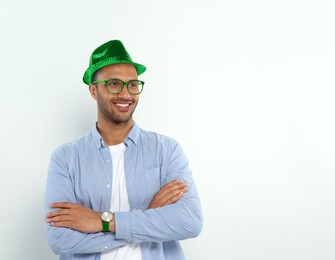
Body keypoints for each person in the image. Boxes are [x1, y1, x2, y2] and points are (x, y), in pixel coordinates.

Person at [44, 39, 203, 260]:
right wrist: (149, 217)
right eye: (114, 84)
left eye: (133, 84)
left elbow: (190, 221)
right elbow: (60, 239)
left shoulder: (166, 150)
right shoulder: (66, 158)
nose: (126, 94)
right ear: (93, 90)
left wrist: (102, 220)